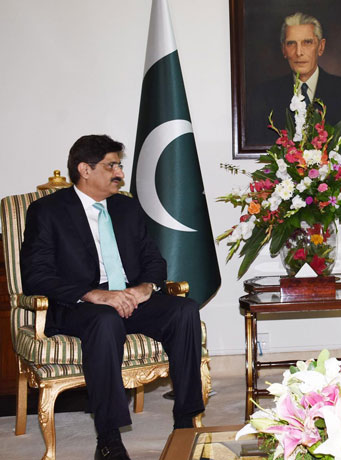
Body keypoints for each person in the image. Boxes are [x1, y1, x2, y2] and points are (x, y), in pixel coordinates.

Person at [20, 135, 204, 460]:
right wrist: (94, 295)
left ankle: (186, 422)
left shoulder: (127, 207)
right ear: (84, 169)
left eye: (119, 164)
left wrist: (145, 288)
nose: (119, 172)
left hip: (128, 297)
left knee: (184, 310)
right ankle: (108, 439)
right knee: (105, 320)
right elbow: (36, 275)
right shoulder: (47, 211)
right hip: (76, 305)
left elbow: (153, 260)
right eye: (111, 165)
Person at [246, 11, 341, 145]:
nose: (299, 52)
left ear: (321, 47)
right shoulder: (263, 95)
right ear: (284, 50)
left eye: (307, 42)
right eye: (291, 44)